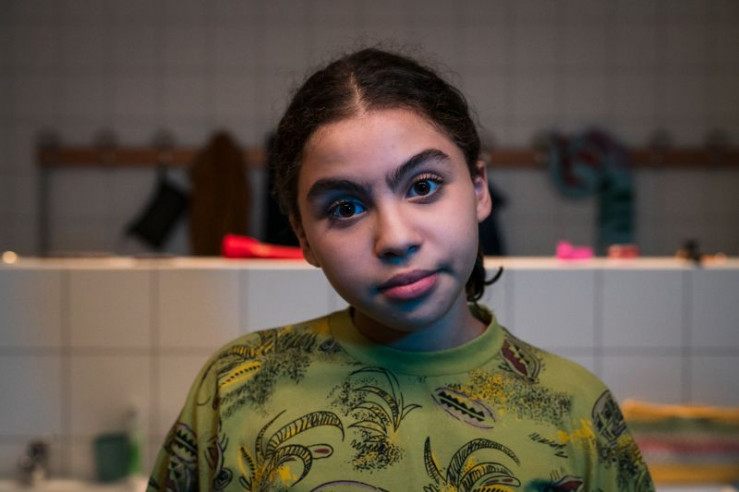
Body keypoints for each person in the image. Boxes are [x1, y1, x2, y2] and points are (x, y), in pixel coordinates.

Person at [147, 48, 654, 491]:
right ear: (303, 237)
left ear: (479, 189)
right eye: (345, 208)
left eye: (423, 186)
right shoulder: (237, 385)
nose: (395, 238)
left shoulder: (577, 410)